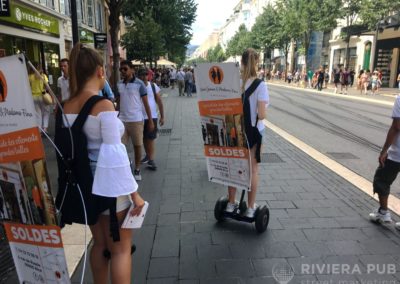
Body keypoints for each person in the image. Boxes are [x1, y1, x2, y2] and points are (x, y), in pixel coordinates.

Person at [62, 43, 145, 283]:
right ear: (100, 71)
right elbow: (115, 154)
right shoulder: (102, 105)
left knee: (99, 244)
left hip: (83, 184)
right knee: (120, 248)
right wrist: (135, 194)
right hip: (109, 187)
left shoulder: (65, 107)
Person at [225, 48, 269, 218]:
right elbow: (262, 114)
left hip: (235, 130)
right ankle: (250, 207)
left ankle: (230, 203)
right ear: (256, 62)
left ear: (241, 63)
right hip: (253, 132)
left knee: (235, 167)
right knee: (253, 170)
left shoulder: (233, 82)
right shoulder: (261, 85)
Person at [118, 60, 154, 181]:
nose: (122, 71)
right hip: (122, 120)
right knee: (120, 146)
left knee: (137, 145)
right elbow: (118, 102)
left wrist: (150, 120)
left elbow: (146, 104)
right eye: (121, 69)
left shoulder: (139, 84)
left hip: (136, 120)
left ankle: (137, 168)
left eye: (125, 69)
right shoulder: (119, 84)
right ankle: (126, 163)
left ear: (132, 70)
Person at [369, 94, 400, 230]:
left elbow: (396, 126)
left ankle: (383, 212)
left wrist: (384, 151)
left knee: (382, 179)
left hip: (397, 154)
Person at [137, 68, 165, 170]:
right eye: (141, 75)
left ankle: (151, 160)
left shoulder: (153, 86)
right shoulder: (135, 87)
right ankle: (148, 156)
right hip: (138, 117)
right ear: (138, 76)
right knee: (144, 138)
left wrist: (162, 116)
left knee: (150, 138)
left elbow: (160, 102)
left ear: (148, 76)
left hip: (151, 117)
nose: (144, 77)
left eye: (145, 75)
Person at [29, 63, 50, 134]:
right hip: (42, 96)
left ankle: (39, 131)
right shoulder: (43, 76)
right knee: (46, 112)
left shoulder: (30, 77)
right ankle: (45, 128)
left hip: (33, 97)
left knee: (38, 114)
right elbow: (47, 87)